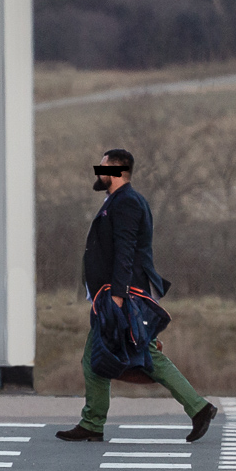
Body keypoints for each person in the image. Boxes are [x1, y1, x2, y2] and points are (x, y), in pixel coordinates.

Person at [55, 149, 217, 443]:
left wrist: (117, 297)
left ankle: (94, 422)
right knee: (114, 356)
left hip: (123, 295)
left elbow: (126, 251)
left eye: (102, 167)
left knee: (116, 357)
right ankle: (196, 408)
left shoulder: (127, 202)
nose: (98, 172)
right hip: (118, 294)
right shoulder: (117, 201)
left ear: (117, 171)